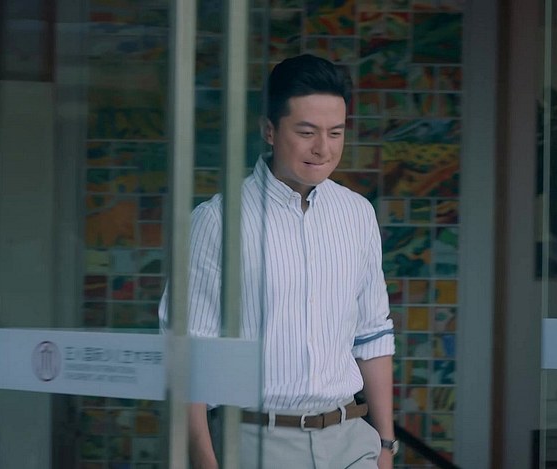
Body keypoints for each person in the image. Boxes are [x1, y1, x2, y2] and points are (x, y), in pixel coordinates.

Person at [160, 54, 396, 469]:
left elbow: (373, 335)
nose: (323, 149)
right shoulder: (218, 221)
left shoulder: (358, 214)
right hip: (257, 442)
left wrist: (386, 445)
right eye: (306, 132)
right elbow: (186, 354)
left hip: (351, 440)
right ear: (269, 130)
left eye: (335, 132)